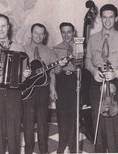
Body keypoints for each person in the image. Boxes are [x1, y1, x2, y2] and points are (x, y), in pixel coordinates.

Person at [85, 4, 118, 152]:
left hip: (114, 82)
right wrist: (94, 71)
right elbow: (87, 60)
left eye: (111, 17)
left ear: (116, 19)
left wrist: (116, 73)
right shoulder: (93, 39)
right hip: (96, 81)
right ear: (100, 18)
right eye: (104, 17)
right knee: (97, 121)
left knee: (112, 121)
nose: (107, 21)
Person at [22, 23, 57, 154]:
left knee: (42, 123)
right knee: (28, 124)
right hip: (27, 91)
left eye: (41, 33)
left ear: (45, 35)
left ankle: (43, 151)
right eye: (35, 33)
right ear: (31, 34)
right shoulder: (22, 49)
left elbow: (54, 72)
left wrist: (53, 90)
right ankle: (28, 151)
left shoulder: (50, 51)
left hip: (43, 90)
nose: (38, 36)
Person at [0, 13, 28, 154]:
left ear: (8, 27)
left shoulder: (18, 47)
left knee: (14, 131)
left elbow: (26, 70)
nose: (0, 29)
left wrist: (26, 74)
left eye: (3, 26)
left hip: (14, 95)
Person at [52, 22, 77, 153]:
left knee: (73, 115)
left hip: (75, 80)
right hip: (62, 81)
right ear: (60, 32)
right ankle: (62, 144)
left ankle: (73, 147)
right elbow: (55, 72)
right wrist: (60, 66)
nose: (66, 35)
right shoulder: (55, 49)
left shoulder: (80, 47)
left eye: (69, 32)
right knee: (61, 114)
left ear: (73, 32)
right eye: (63, 32)